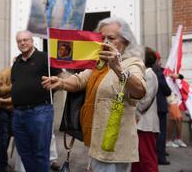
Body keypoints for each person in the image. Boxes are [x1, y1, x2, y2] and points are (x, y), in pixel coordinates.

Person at [42, 17, 146, 172]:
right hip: (95, 140)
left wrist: (117, 68)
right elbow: (80, 80)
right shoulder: (98, 64)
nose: (105, 42)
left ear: (125, 41)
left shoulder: (132, 63)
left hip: (114, 143)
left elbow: (139, 91)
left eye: (111, 38)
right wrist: (61, 82)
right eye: (101, 38)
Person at [11, 30, 61, 172]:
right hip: (19, 114)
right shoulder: (17, 62)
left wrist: (48, 92)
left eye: (25, 40)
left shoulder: (44, 58)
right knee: (24, 153)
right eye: (19, 41)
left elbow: (59, 78)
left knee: (40, 154)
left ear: (32, 41)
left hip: (39, 112)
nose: (22, 43)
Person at [131, 47, 159, 172]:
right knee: (136, 161)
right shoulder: (144, 74)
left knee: (147, 161)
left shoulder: (149, 75)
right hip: (139, 124)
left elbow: (144, 102)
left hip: (145, 124)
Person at [0, 67, 13, 172]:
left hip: (10, 108)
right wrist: (12, 88)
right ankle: (2, 165)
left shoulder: (20, 74)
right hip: (1, 109)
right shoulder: (5, 73)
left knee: (7, 135)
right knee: (3, 137)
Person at [152, 52, 172, 165]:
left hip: (153, 107)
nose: (160, 62)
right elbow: (166, 90)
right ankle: (160, 157)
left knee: (155, 133)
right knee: (161, 133)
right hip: (160, 107)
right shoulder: (158, 73)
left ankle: (158, 153)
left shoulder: (150, 71)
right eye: (159, 60)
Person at [165, 73, 187, 148]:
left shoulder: (175, 79)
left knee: (173, 120)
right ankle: (177, 139)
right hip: (171, 100)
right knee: (178, 118)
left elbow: (182, 77)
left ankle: (169, 140)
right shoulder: (167, 78)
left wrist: (176, 76)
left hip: (176, 100)